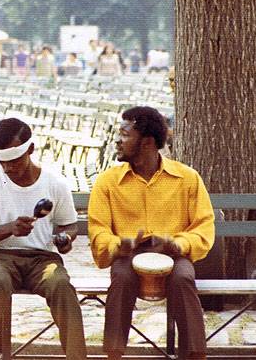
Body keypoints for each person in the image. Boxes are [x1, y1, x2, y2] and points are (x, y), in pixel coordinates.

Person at [88, 106, 215, 360]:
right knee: (121, 280)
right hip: (127, 255)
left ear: (146, 142)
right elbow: (98, 229)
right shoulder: (107, 182)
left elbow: (204, 227)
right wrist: (119, 245)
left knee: (183, 279)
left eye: (124, 134)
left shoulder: (187, 178)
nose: (117, 140)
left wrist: (179, 244)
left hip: (173, 254)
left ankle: (194, 355)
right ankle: (114, 354)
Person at [0, 118, 87, 360]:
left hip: (43, 258)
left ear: (31, 149)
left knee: (62, 286)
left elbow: (69, 224)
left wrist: (65, 237)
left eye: (14, 161)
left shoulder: (54, 182)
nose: (8, 168)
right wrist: (10, 228)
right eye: (2, 162)